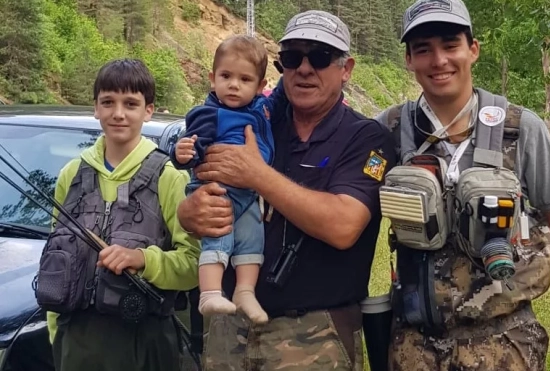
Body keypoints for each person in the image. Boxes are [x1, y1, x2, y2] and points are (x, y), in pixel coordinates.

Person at [373, 1, 550, 370]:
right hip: (412, 346)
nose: (439, 61)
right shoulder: (385, 130)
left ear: (473, 49)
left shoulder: (521, 129)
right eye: (423, 50)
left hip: (505, 343)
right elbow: (350, 212)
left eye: (451, 45)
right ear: (408, 60)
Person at [176, 10, 396, 370]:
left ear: (346, 68)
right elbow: (197, 191)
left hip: (316, 335)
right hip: (229, 329)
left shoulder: (368, 139)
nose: (304, 69)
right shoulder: (255, 119)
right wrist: (190, 213)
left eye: (320, 57)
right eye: (292, 58)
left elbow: (343, 226)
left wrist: (257, 175)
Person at [42, 58, 201, 371]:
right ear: (96, 108)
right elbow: (52, 258)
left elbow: (194, 266)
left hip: (147, 346)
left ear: (148, 110)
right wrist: (55, 334)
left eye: (130, 103)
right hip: (75, 346)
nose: (118, 113)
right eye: (108, 102)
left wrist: (144, 259)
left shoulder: (170, 177)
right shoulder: (70, 175)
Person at [170, 35, 275, 324]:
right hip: (220, 191)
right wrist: (183, 153)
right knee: (218, 236)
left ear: (260, 86)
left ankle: (244, 291)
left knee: (252, 240)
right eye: (226, 76)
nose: (233, 85)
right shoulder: (211, 114)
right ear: (212, 78)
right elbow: (192, 147)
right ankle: (209, 294)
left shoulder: (259, 111)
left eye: (244, 79)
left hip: (249, 195)